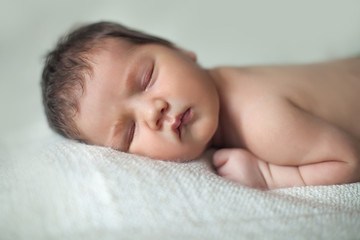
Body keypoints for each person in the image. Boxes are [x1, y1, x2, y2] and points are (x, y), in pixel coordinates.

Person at [41, 21, 360, 189]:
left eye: (147, 78)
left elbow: (347, 160)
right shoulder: (224, 80)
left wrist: (267, 176)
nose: (153, 112)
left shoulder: (262, 121)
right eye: (129, 132)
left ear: (180, 50)